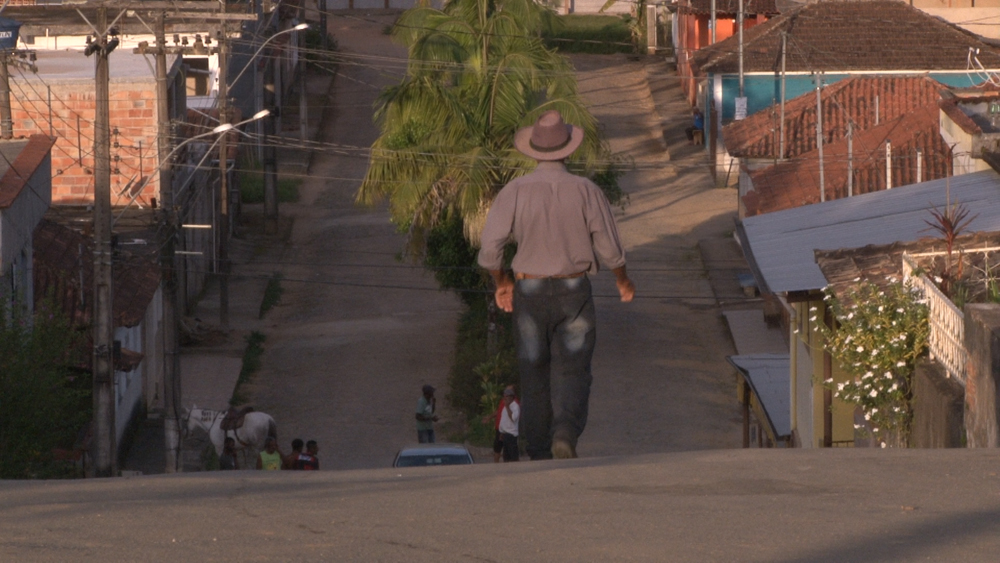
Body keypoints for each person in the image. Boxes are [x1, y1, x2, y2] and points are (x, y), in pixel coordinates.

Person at [478, 110, 635, 460]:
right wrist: (623, 282)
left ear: (533, 152)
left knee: (532, 372)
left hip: (528, 292)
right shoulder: (586, 190)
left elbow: (490, 253)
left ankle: (537, 449)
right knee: (574, 368)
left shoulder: (513, 192)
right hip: (573, 291)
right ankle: (564, 432)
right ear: (568, 150)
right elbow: (611, 249)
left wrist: (502, 283)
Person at [483, 385, 516, 463]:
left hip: (507, 429)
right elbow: (499, 411)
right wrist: (489, 417)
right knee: (497, 447)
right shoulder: (503, 401)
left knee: (508, 449)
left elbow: (513, 416)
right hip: (499, 428)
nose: (506, 394)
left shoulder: (514, 403)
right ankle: (496, 464)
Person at [498, 387, 521, 462]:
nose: (505, 399)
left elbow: (513, 418)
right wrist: (501, 432)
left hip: (511, 434)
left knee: (513, 456)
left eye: (506, 396)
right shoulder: (505, 407)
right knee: (506, 457)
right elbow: (503, 420)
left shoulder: (515, 406)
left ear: (511, 397)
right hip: (505, 434)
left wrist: (507, 407)